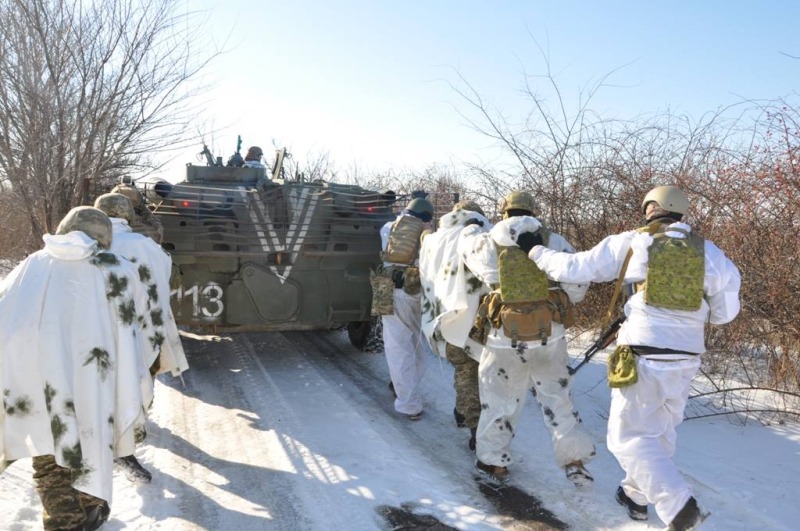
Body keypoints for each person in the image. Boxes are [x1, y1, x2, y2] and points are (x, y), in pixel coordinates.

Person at [529, 185, 741, 530]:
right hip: (686, 357)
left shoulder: (632, 241)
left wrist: (535, 251)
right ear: (680, 212)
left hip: (644, 352)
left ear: (651, 208)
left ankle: (678, 507)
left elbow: (574, 268)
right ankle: (636, 496)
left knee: (625, 437)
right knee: (660, 431)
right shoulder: (712, 254)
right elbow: (724, 313)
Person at [0, 206, 158, 530]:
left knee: (49, 458)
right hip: (94, 386)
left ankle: (69, 518)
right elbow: (137, 329)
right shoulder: (114, 269)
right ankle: (82, 513)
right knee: (92, 446)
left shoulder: (31, 266)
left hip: (37, 386)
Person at [459, 191, 596, 485]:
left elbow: (466, 254)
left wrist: (471, 228)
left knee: (499, 402)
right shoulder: (554, 241)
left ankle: (494, 463)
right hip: (550, 336)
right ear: (533, 210)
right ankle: (573, 459)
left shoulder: (486, 241)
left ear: (504, 210)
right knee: (558, 399)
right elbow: (578, 287)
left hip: (503, 338)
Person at [94, 193, 190, 483]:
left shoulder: (85, 243)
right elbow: (171, 280)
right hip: (141, 332)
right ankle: (127, 440)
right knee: (138, 383)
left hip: (94, 331)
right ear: (127, 215)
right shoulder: (146, 246)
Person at [419, 200, 492, 450]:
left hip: (446, 319)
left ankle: (463, 412)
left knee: (463, 370)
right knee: (477, 376)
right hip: (480, 321)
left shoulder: (435, 239)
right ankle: (475, 430)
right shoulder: (481, 235)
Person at [380, 196, 434, 420]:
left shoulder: (388, 227)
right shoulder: (427, 234)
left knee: (397, 347)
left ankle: (408, 403)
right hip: (416, 290)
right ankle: (405, 388)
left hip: (387, 288)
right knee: (416, 345)